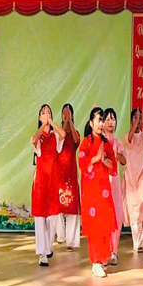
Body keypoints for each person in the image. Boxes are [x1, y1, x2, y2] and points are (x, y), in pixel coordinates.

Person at [78, 107, 117, 278]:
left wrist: (105, 160)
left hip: (104, 190)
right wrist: (95, 158)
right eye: (98, 120)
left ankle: (101, 259)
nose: (101, 124)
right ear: (91, 123)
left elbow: (113, 167)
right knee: (94, 227)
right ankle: (95, 261)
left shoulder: (107, 143)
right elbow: (82, 163)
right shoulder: (86, 142)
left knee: (105, 224)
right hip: (91, 191)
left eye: (102, 120)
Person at [31, 103, 65, 266]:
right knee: (40, 218)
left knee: (52, 218)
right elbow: (33, 140)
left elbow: (63, 134)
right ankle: (42, 254)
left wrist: (50, 123)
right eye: (43, 113)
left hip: (52, 180)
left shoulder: (55, 136)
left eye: (49, 112)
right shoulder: (38, 137)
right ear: (39, 117)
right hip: (40, 181)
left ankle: (48, 247)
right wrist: (43, 125)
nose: (46, 115)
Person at [123, 107, 143, 251]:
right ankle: (137, 244)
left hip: (142, 174)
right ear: (131, 120)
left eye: (140, 117)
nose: (137, 120)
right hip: (130, 175)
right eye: (135, 117)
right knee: (133, 208)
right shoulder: (127, 135)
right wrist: (136, 125)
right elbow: (129, 139)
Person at [55, 103, 81, 250]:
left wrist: (70, 121)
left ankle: (71, 241)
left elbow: (76, 141)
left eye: (68, 112)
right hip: (59, 172)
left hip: (71, 172)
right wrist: (65, 123)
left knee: (72, 206)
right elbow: (61, 137)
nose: (66, 114)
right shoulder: (58, 132)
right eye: (64, 112)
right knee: (58, 204)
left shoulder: (75, 132)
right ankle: (61, 236)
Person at [102, 107, 126, 265]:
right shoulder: (100, 141)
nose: (111, 122)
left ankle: (114, 251)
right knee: (104, 216)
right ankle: (104, 252)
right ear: (102, 123)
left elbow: (124, 161)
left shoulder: (117, 142)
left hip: (115, 183)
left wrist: (115, 154)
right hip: (103, 182)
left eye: (113, 119)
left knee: (116, 216)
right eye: (108, 119)